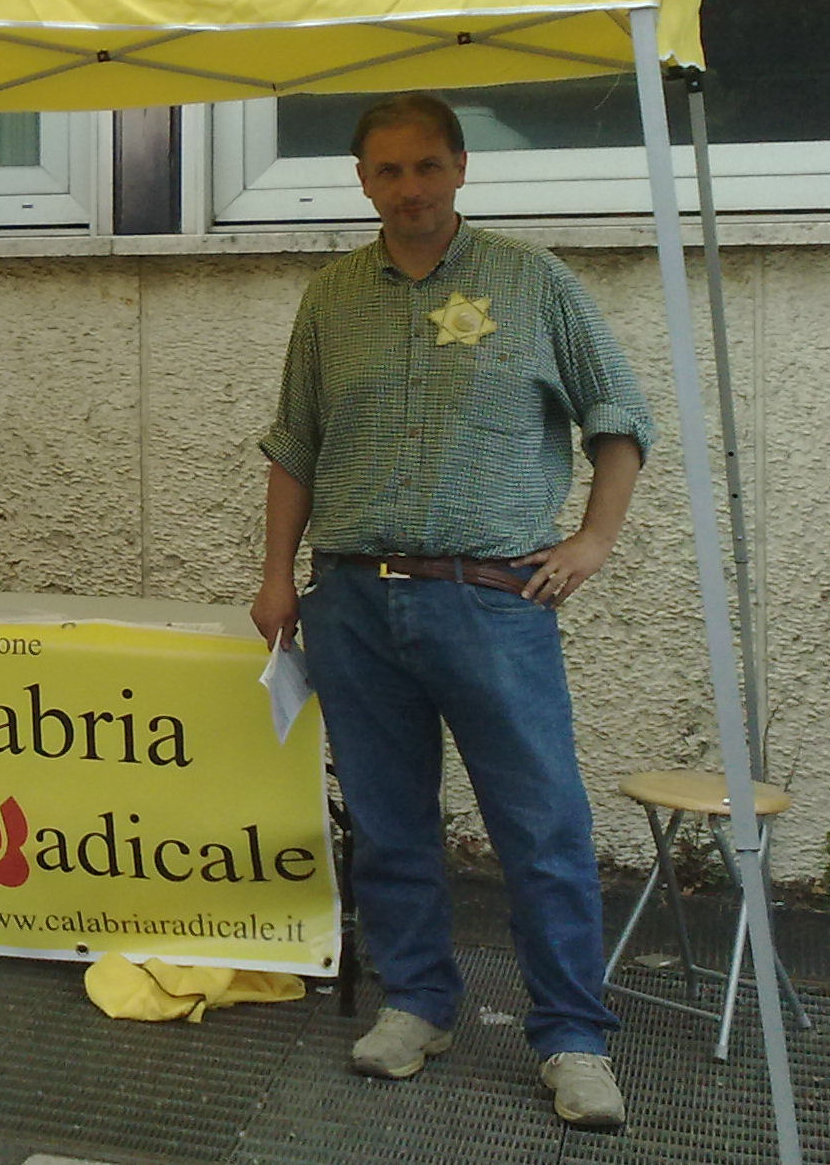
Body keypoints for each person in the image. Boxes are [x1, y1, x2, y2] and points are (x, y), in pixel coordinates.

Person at [249, 93, 651, 1131]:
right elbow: (294, 445)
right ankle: (419, 1002)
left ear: (461, 168)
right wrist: (277, 576)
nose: (410, 189)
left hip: (491, 601)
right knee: (388, 824)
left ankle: (569, 1033)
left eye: (427, 167)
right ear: (363, 182)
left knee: (541, 825)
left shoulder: (530, 280)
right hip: (352, 600)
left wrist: (593, 540)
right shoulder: (332, 297)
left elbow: (619, 418)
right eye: (388, 172)